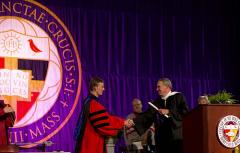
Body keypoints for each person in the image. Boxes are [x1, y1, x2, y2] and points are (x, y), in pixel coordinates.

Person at [74, 77, 132, 153]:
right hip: (92, 144)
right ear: (95, 87)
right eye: (102, 86)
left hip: (87, 141)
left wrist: (122, 121)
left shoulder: (88, 101)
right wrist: (123, 123)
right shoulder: (94, 104)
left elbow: (105, 118)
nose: (104, 89)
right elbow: (104, 123)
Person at [132, 78, 189, 153]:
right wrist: (133, 122)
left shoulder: (178, 97)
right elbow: (147, 116)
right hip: (161, 139)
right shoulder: (157, 102)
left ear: (167, 87)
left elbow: (185, 113)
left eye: (159, 87)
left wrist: (169, 112)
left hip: (176, 137)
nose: (156, 89)